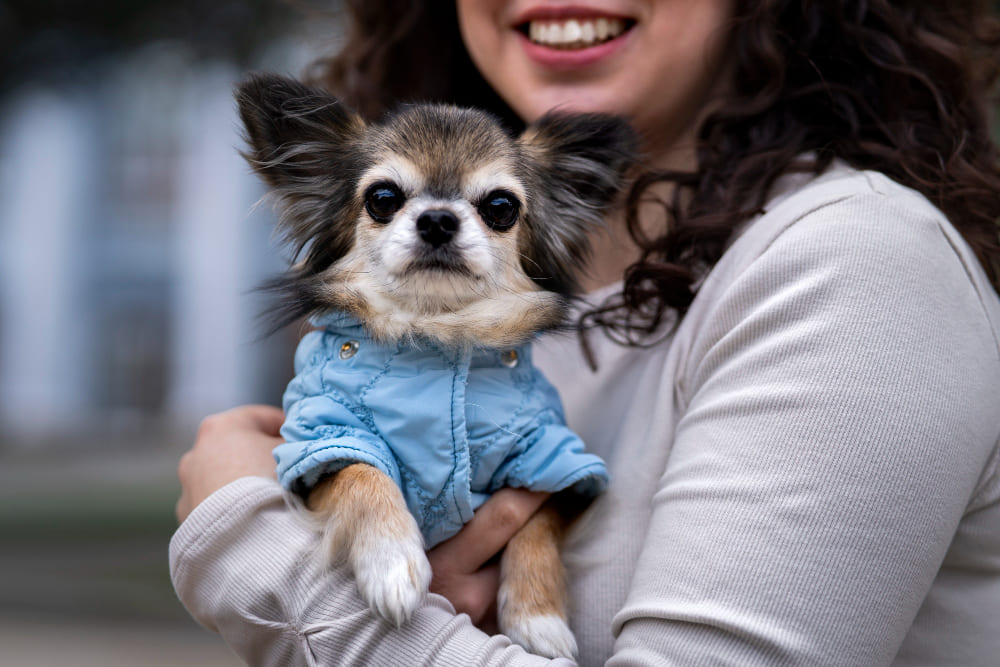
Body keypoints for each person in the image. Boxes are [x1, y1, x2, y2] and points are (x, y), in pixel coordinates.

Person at [170, 1, 1000, 664]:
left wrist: (255, 547)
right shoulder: (508, 303)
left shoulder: (856, 264)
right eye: (390, 200)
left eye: (497, 209)